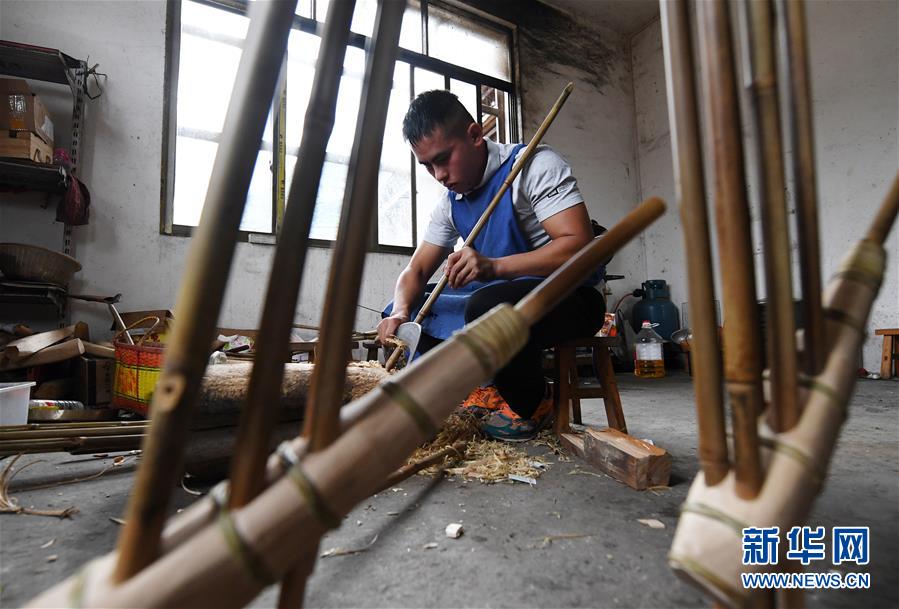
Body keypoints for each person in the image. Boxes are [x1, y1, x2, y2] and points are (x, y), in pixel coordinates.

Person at [377, 89, 606, 441]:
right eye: (427, 166)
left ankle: (531, 402)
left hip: (570, 298)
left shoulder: (533, 165)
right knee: (406, 306)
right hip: (499, 297)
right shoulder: (450, 203)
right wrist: (401, 312)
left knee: (487, 305)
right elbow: (416, 271)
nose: (439, 175)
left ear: (474, 135)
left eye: (443, 159)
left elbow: (579, 247)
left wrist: (494, 267)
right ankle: (482, 391)